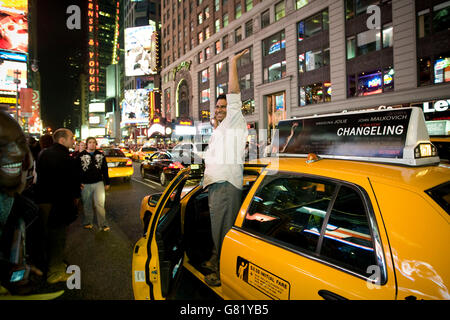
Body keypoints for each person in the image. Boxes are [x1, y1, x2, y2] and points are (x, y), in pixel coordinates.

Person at [202, 49, 249, 286]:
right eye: (217, 108)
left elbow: (233, 94)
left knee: (223, 231)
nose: (220, 110)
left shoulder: (235, 121)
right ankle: (215, 258)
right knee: (217, 229)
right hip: (215, 186)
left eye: (223, 107)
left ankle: (223, 274)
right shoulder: (220, 130)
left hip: (225, 186)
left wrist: (232, 64)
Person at [0, 110, 46, 295]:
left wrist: (11, 272)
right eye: (2, 145)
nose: (18, 152)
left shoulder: (19, 208)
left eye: (20, 143)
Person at [35, 128, 80, 284]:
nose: (73, 141)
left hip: (43, 201)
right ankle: (55, 273)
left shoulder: (43, 153)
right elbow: (70, 182)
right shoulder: (64, 157)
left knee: (46, 236)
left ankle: (49, 265)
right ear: (62, 140)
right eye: (71, 138)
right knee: (57, 237)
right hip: (58, 203)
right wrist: (75, 199)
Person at [77, 137, 111, 231]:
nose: (92, 144)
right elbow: (77, 170)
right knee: (87, 204)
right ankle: (88, 222)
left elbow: (105, 169)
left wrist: (107, 182)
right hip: (85, 184)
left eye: (93, 142)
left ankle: (103, 224)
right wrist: (78, 182)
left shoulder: (100, 155)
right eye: (90, 142)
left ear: (96, 144)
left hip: (98, 183)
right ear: (87, 144)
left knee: (100, 204)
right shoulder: (81, 155)